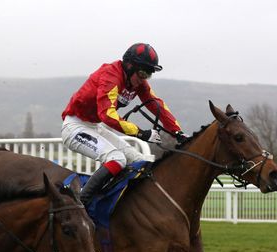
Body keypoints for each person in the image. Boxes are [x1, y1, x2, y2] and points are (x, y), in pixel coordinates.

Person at [61, 42, 188, 204]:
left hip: (94, 126)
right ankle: (81, 203)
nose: (143, 79)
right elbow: (107, 114)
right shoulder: (111, 75)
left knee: (138, 161)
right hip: (75, 127)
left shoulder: (137, 81)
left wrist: (177, 132)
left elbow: (156, 105)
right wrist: (141, 133)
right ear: (129, 66)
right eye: (142, 73)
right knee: (117, 158)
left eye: (148, 75)